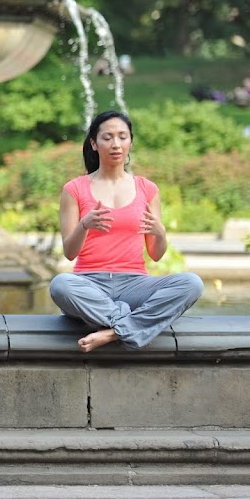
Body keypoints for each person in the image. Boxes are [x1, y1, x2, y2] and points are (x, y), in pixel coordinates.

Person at [49, 110, 203, 352]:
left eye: (122, 137)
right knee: (60, 285)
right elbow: (69, 252)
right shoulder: (74, 189)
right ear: (94, 143)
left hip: (135, 286)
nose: (116, 144)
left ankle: (112, 333)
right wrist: (84, 225)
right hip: (89, 285)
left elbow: (156, 254)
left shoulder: (147, 188)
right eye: (107, 137)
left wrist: (161, 233)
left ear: (130, 141)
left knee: (191, 283)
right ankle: (132, 324)